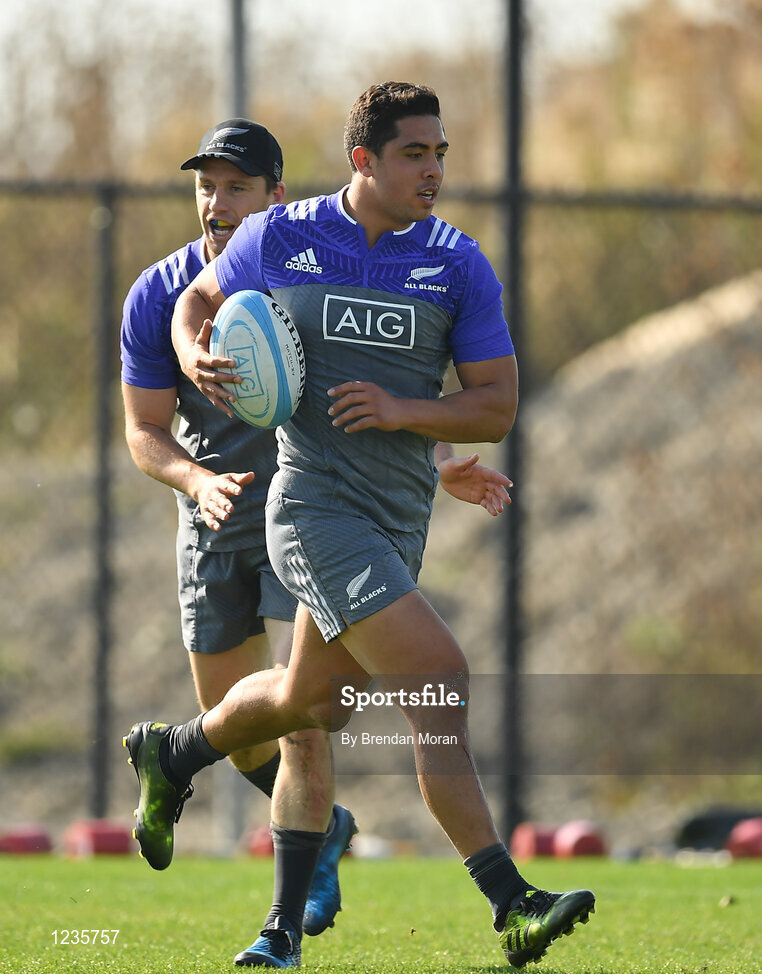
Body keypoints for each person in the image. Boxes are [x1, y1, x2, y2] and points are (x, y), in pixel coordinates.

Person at [125, 83, 594, 969]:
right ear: (364, 161)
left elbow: (496, 405)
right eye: (417, 154)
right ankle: (512, 901)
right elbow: (196, 303)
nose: (435, 170)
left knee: (313, 704)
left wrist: (405, 410)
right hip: (310, 512)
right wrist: (197, 354)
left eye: (442, 153)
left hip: (397, 519)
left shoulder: (457, 262)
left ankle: (177, 759)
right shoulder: (287, 234)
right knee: (439, 681)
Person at [119, 119, 358, 961]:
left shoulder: (307, 276)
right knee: (243, 727)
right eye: (206, 186)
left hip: (304, 514)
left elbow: (355, 398)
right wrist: (195, 480)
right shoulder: (158, 293)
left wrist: (437, 460)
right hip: (212, 516)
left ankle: (286, 922)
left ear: (274, 199)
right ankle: (189, 764)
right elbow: (144, 431)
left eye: (237, 188)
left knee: (303, 714)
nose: (217, 205)